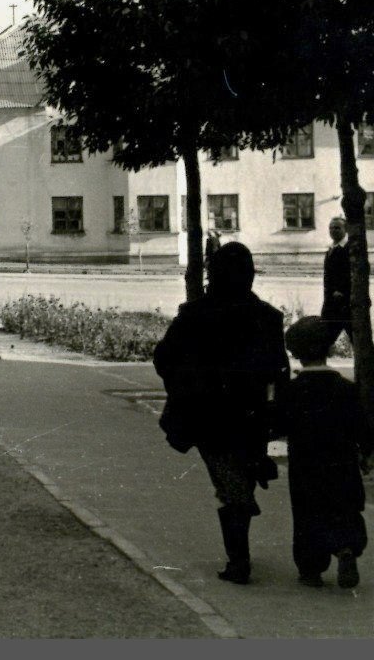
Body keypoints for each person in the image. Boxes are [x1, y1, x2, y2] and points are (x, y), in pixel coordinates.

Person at [152, 242, 289, 585]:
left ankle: (239, 560)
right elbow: (279, 372)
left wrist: (184, 389)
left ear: (214, 274)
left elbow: (164, 358)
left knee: (229, 481)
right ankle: (240, 530)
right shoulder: (268, 317)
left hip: (208, 416)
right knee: (238, 478)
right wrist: (275, 414)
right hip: (251, 417)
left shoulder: (195, 314)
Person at [281, 315, 373, 589]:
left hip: (305, 464)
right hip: (341, 462)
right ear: (329, 349)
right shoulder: (345, 388)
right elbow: (361, 426)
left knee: (308, 514)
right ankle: (346, 548)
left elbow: (279, 424)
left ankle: (311, 568)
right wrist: (366, 454)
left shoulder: (293, 390)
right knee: (344, 508)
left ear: (295, 352)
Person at [322, 217, 351, 346]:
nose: (333, 231)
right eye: (331, 228)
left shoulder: (349, 249)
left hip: (346, 304)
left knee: (358, 341)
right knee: (324, 340)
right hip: (331, 304)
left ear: (346, 229)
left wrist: (341, 291)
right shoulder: (331, 248)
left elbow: (352, 274)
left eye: (337, 228)